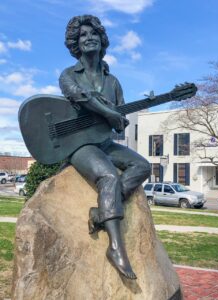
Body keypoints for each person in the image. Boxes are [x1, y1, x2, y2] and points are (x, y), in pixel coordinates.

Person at [59, 15, 150, 280]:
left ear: (102, 40)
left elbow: (119, 125)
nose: (88, 38)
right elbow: (79, 96)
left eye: (93, 34)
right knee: (109, 176)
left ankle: (102, 212)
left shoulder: (113, 82)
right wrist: (107, 113)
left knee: (142, 165)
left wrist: (118, 119)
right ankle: (115, 248)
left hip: (104, 142)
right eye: (82, 35)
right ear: (76, 44)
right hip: (78, 144)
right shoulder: (68, 75)